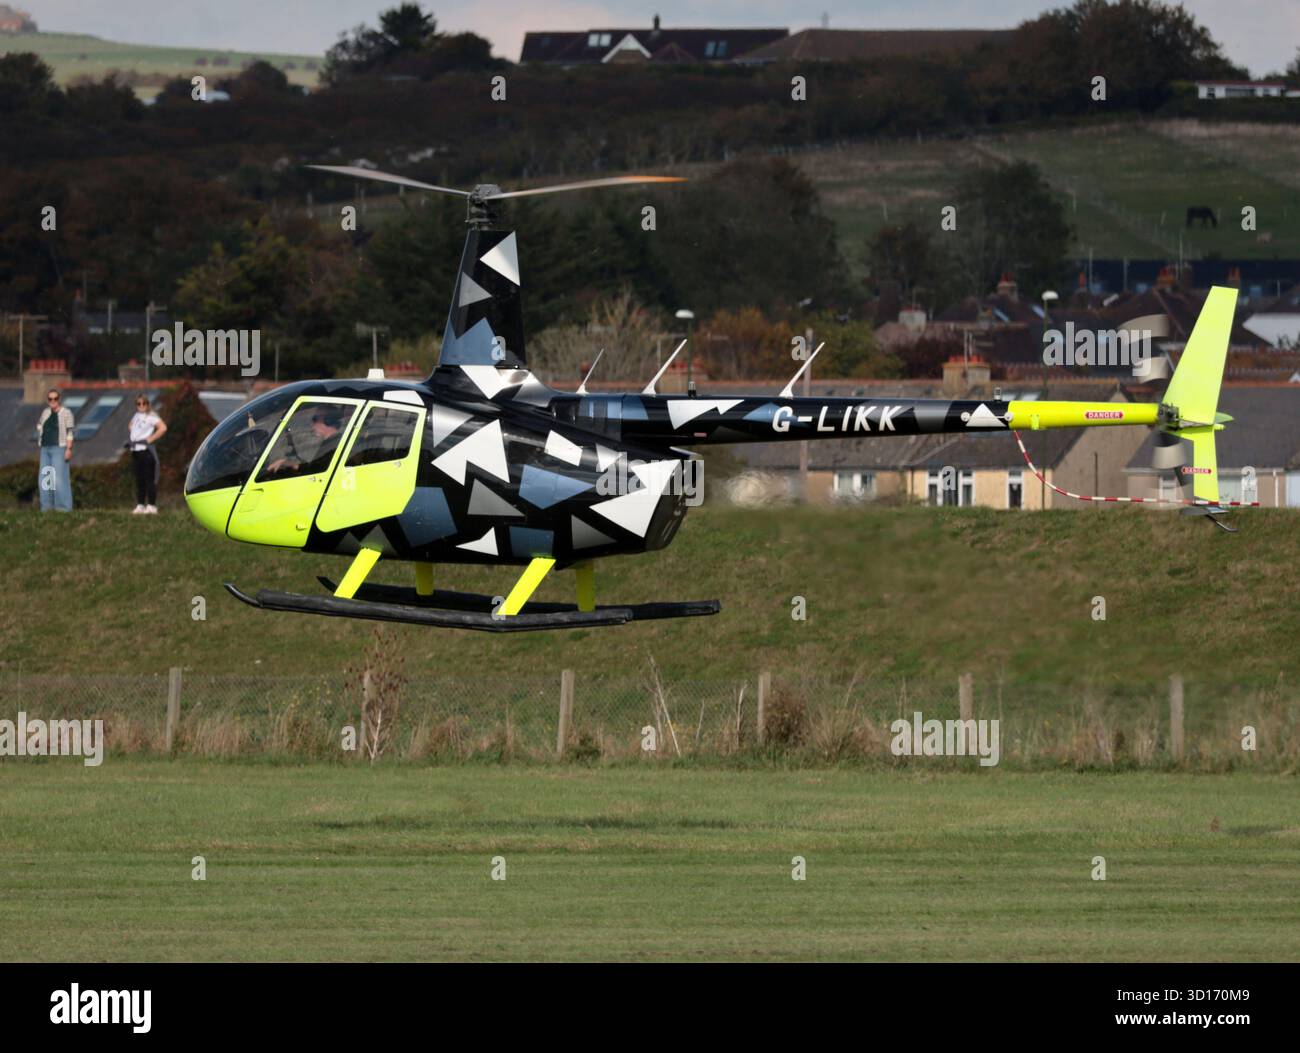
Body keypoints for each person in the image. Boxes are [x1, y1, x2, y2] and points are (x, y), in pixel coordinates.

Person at [265, 406, 343, 476]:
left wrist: (287, 463)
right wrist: (287, 463)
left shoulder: (334, 444)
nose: (312, 424)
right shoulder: (330, 442)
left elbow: (315, 471)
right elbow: (314, 467)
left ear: (328, 421)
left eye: (315, 419)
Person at [35, 388, 75, 512]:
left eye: (55, 398)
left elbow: (70, 432)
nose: (53, 401)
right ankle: (46, 507)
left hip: (59, 447)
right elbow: (39, 424)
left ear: (59, 399)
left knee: (59, 478)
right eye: (50, 399)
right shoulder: (45, 412)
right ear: (48, 400)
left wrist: (69, 449)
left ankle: (63, 507)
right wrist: (41, 430)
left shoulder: (66, 413)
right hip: (45, 448)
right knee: (46, 478)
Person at [127, 394, 168, 514]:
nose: (141, 406)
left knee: (149, 479)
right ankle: (140, 504)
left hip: (146, 451)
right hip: (136, 450)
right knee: (139, 479)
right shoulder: (136, 416)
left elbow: (163, 428)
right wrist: (134, 435)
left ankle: (151, 505)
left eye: (143, 403)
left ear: (147, 404)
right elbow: (130, 426)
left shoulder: (151, 416)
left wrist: (150, 438)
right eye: (138, 404)